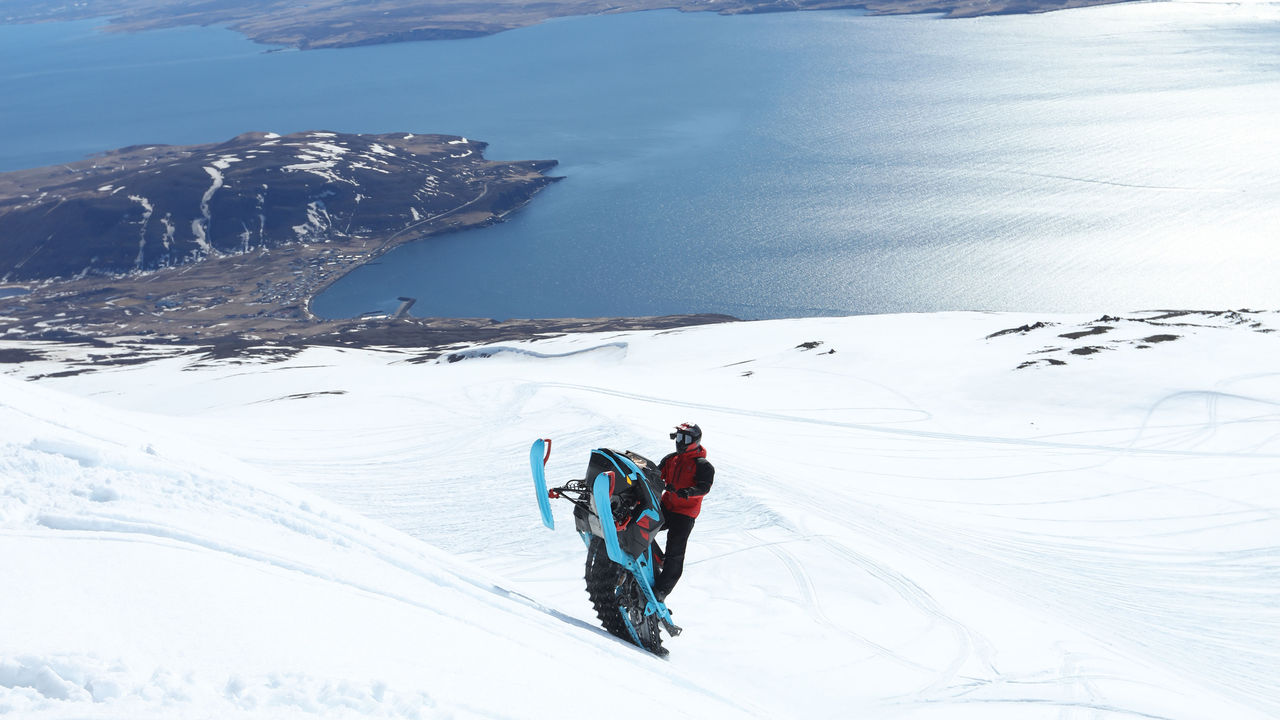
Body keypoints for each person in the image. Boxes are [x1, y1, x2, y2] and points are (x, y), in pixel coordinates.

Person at [653, 422, 714, 601]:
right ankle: (656, 559)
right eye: (679, 437)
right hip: (667, 506)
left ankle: (662, 590)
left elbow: (704, 487)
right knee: (640, 525)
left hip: (685, 514)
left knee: (676, 551)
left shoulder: (703, 465)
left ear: (695, 441)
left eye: (685, 438)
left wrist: (688, 492)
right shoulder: (671, 459)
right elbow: (656, 475)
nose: (680, 442)